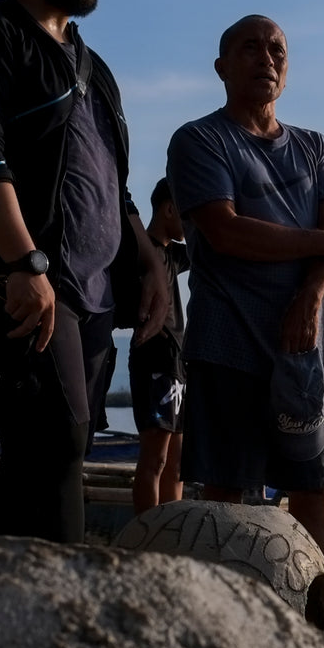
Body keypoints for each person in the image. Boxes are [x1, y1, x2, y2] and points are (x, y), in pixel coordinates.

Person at [0, 0, 167, 543]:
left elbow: (116, 184)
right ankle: (62, 607)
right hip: (18, 283)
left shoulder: (96, 68)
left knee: (52, 451)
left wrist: (150, 260)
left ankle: (9, 608)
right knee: (55, 441)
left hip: (92, 297)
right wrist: (23, 262)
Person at [166, 16, 324, 648]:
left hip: (305, 355)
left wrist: (311, 292)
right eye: (251, 48)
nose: (266, 59)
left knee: (314, 490)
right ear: (222, 66)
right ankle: (229, 635)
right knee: (228, 495)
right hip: (227, 342)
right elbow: (226, 232)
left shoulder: (315, 147)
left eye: (278, 51)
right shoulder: (200, 141)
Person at [129, 178, 189, 513]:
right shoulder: (141, 251)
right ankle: (146, 533)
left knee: (177, 464)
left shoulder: (175, 255)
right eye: (186, 212)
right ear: (168, 209)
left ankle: (171, 532)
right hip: (153, 359)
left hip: (178, 363)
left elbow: (209, 241)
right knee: (156, 457)